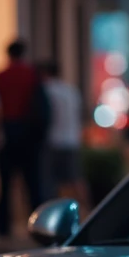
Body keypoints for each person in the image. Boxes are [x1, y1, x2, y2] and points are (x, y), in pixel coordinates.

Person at [0, 39, 48, 236]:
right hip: (28, 133)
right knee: (33, 182)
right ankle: (39, 226)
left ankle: (3, 227)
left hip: (6, 132)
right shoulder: (31, 75)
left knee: (5, 183)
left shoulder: (0, 77)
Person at [40, 60, 85, 202]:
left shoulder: (46, 90)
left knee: (49, 183)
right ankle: (88, 210)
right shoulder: (71, 91)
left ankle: (53, 212)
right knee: (75, 179)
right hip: (71, 140)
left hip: (52, 141)